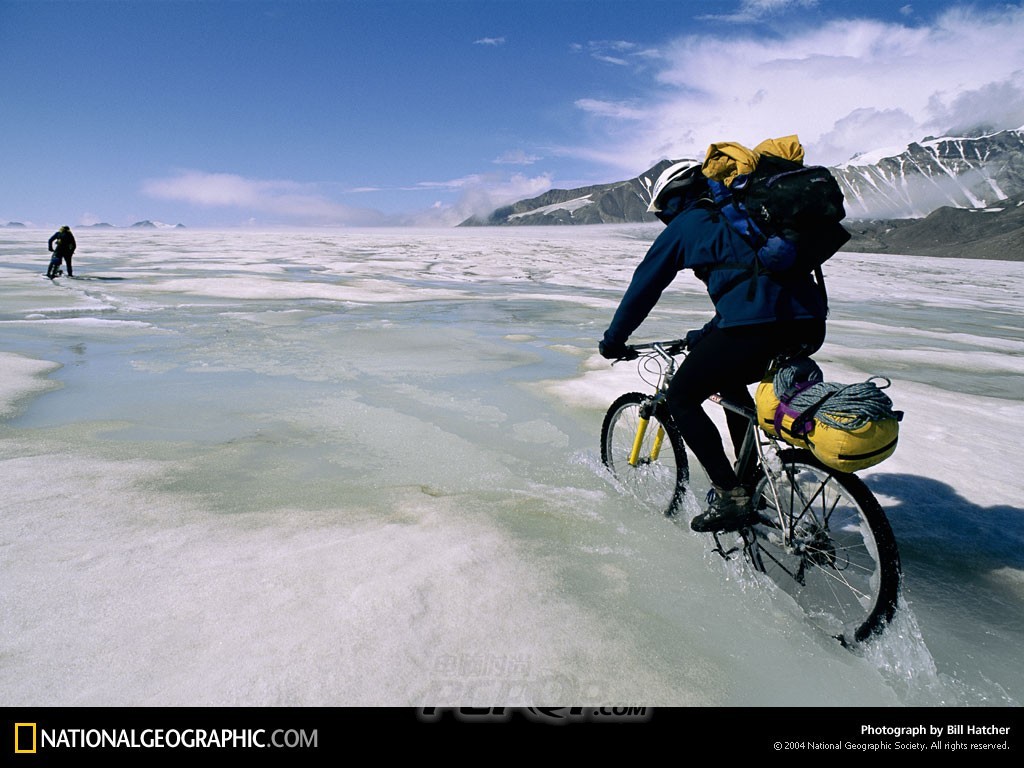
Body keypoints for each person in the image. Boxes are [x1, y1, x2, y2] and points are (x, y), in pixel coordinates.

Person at [599, 161, 829, 533]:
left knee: (682, 398)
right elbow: (754, 286)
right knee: (729, 380)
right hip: (809, 325)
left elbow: (645, 286)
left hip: (756, 330)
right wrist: (705, 334)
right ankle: (750, 477)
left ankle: (730, 494)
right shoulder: (744, 215)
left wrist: (614, 341)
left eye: (663, 212)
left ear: (673, 199)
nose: (664, 220)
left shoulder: (688, 223)